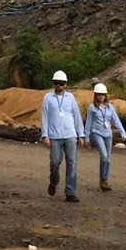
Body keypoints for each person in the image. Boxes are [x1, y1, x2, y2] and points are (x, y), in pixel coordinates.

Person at [40, 70, 85, 203]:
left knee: (72, 163)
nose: (59, 85)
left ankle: (70, 192)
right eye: (56, 83)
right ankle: (54, 181)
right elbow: (44, 117)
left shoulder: (71, 98)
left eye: (61, 83)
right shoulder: (47, 98)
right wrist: (45, 135)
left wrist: (80, 134)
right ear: (53, 83)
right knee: (55, 161)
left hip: (70, 134)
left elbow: (76, 116)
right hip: (54, 135)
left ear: (65, 84)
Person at [84, 83, 126, 191]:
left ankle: (104, 181)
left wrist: (122, 132)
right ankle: (102, 179)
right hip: (96, 132)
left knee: (107, 159)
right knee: (103, 155)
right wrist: (86, 137)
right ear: (95, 95)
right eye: (99, 94)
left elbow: (115, 120)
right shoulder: (92, 108)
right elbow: (88, 122)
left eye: (103, 95)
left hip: (108, 134)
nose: (101, 97)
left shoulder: (110, 107)